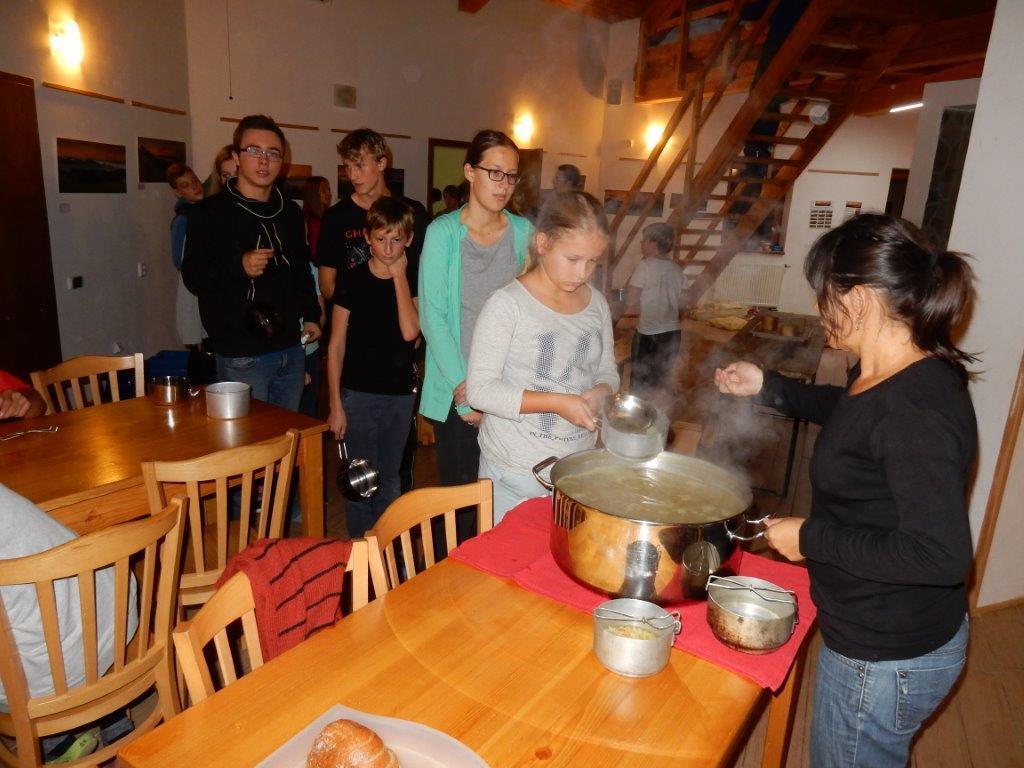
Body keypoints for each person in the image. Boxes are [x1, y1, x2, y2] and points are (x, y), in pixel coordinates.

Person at [714, 214, 976, 768]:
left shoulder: (913, 410)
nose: (818, 308)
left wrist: (811, 537)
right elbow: (856, 416)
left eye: (823, 293)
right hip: (886, 635)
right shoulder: (896, 370)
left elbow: (941, 556)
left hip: (883, 653)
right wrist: (770, 386)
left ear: (858, 298)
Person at [467, 191, 619, 522]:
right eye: (573, 259)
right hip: (514, 470)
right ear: (543, 243)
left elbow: (607, 369)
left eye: (592, 261)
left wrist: (603, 391)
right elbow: (480, 391)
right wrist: (557, 402)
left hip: (576, 469)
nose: (583, 273)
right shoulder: (507, 305)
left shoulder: (597, 304)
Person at [419, 130, 534, 518]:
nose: (504, 185)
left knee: (506, 496)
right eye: (494, 173)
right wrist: (466, 393)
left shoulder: (523, 232)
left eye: (511, 176)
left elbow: (532, 309)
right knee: (462, 504)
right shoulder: (443, 233)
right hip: (460, 386)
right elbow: (433, 317)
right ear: (470, 172)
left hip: (509, 386)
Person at [182, 114, 321, 411]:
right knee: (249, 437)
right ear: (236, 156)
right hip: (240, 353)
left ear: (282, 161)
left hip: (291, 347)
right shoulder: (209, 213)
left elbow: (301, 270)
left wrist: (312, 314)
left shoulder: (290, 212)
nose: (264, 161)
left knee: (288, 433)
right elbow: (193, 277)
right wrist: (239, 266)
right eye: (254, 150)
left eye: (273, 153)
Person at [0, 483, 138, 758]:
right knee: (50, 609)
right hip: (116, 619)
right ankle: (111, 716)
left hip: (56, 674)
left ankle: (53, 738)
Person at [326, 197, 419, 538]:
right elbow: (336, 345)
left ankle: (385, 551)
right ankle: (358, 552)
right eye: (380, 239)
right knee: (359, 480)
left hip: (398, 395)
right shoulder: (351, 280)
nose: (388, 248)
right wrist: (335, 404)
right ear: (367, 237)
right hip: (358, 394)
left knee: (390, 479)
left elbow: (410, 332)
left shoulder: (410, 279)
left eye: (396, 240)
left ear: (408, 240)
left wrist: (399, 277)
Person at [317, 129, 428, 302]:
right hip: (353, 316)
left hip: (404, 314)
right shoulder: (335, 217)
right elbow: (326, 284)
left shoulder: (413, 212)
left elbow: (428, 272)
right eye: (347, 166)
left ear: (381, 163)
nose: (352, 175)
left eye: (359, 166)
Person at [623, 222, 686, 396]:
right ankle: (658, 411)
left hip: (648, 334)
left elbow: (631, 300)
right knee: (661, 380)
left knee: (640, 383)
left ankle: (638, 412)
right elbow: (684, 303)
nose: (641, 242)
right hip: (672, 334)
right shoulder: (677, 269)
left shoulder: (644, 266)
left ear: (653, 243)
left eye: (644, 239)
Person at [166, 163, 211, 382]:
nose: (194, 187)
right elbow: (179, 261)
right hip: (195, 289)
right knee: (200, 349)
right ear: (177, 192)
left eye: (194, 181)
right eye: (186, 185)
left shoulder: (207, 210)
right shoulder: (183, 219)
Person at [301, 176, 331, 263]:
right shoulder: (312, 220)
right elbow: (315, 251)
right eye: (324, 190)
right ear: (313, 194)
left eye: (329, 190)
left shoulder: (326, 216)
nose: (328, 194)